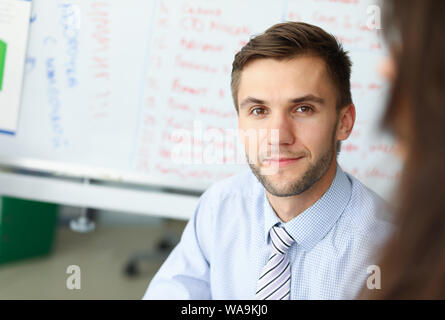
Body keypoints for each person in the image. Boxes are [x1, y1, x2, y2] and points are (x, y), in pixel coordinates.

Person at [143, 22, 391, 300]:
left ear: (344, 122)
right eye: (259, 110)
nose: (278, 137)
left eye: (303, 109)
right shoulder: (220, 208)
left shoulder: (389, 249)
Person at [358, 0, 445, 299]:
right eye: (257, 110)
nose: (386, 69)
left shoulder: (372, 231)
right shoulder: (215, 212)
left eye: (304, 108)